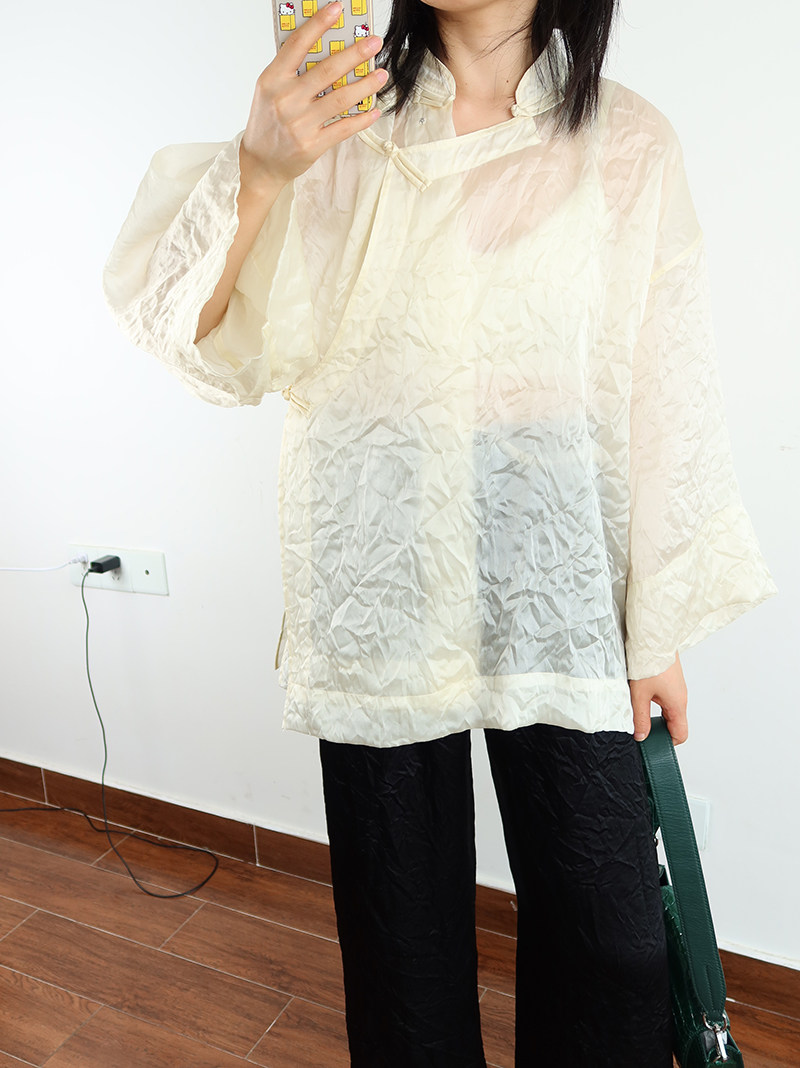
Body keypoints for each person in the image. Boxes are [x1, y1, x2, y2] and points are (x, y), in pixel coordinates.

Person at [102, 0, 778, 1063]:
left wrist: (655, 629)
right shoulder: (339, 123)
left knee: (613, 948)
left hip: (553, 580)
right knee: (402, 962)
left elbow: (660, 398)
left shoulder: (629, 140)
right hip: (380, 570)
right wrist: (261, 168)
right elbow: (190, 335)